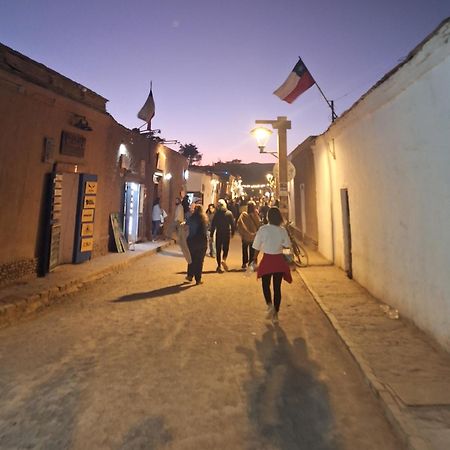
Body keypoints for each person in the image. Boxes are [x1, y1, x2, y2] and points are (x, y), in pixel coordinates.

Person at [252, 207, 292, 324]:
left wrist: (254, 259)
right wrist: (288, 260)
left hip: (267, 260)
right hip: (278, 261)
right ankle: (276, 314)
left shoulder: (263, 229)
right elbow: (286, 248)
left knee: (265, 284)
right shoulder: (282, 230)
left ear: (268, 217)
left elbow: (257, 246)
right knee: (277, 288)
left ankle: (269, 305)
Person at [210, 198, 235, 273]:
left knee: (218, 249)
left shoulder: (216, 214)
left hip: (219, 233)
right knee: (225, 248)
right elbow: (232, 224)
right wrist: (232, 232)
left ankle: (219, 266)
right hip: (226, 233)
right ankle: (224, 259)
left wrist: (211, 234)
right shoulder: (229, 213)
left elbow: (213, 225)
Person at [186, 204, 208, 285]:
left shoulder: (191, 218)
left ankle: (190, 275)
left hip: (191, 241)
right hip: (201, 242)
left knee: (191, 259)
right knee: (199, 261)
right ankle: (198, 279)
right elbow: (204, 232)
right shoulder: (203, 219)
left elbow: (187, 228)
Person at [236, 201, 260, 269]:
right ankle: (251, 263)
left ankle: (244, 263)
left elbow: (239, 223)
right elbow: (259, 224)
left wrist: (242, 232)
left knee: (244, 249)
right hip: (253, 236)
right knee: (252, 249)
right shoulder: (255, 215)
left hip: (245, 236)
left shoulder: (243, 215)